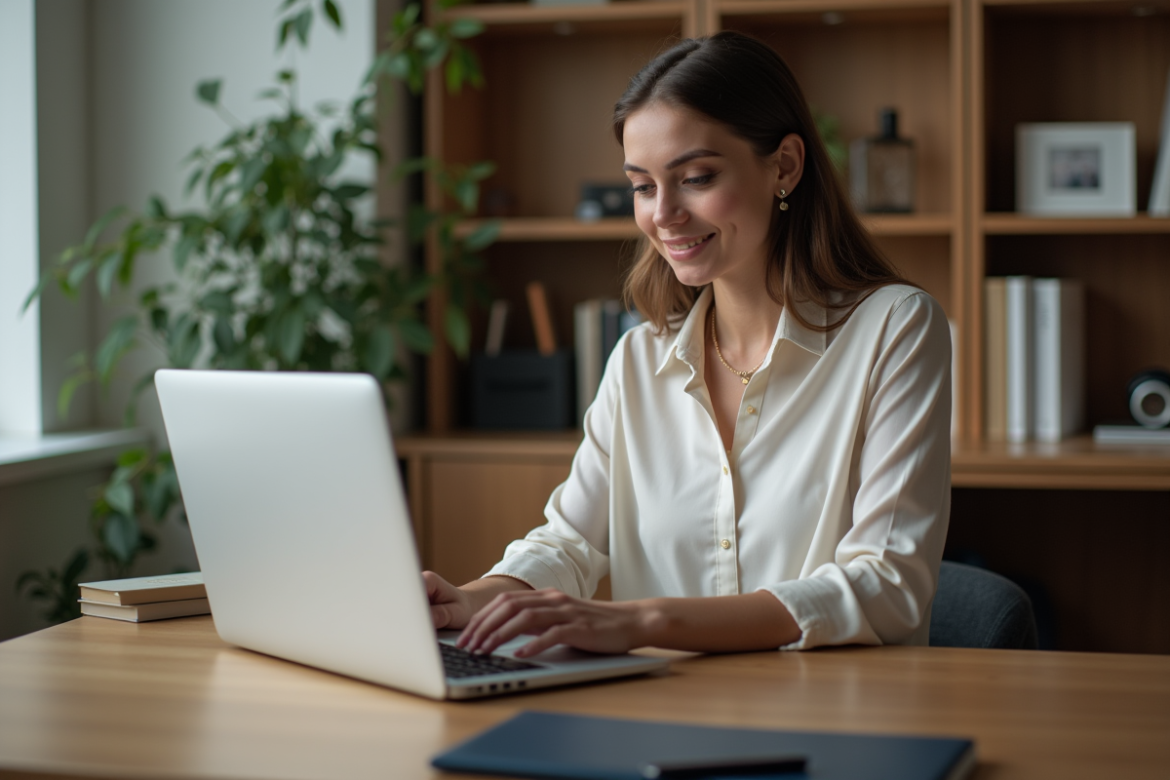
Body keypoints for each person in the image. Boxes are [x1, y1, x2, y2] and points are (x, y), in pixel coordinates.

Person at [424, 31, 952, 657]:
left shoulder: (895, 329)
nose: (663, 215)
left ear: (784, 165)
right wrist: (475, 596)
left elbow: (885, 587)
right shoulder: (640, 359)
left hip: (838, 722)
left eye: (695, 177)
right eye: (643, 187)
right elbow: (567, 545)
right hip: (662, 721)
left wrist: (647, 623)